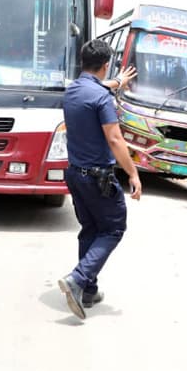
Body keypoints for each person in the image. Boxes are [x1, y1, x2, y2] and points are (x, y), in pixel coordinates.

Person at [57, 40, 142, 320]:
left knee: (90, 229)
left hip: (75, 175)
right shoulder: (101, 98)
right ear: (105, 66)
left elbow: (96, 88)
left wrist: (117, 82)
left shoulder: (72, 91)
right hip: (98, 177)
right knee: (113, 229)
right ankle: (78, 279)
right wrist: (133, 173)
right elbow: (115, 139)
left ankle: (88, 290)